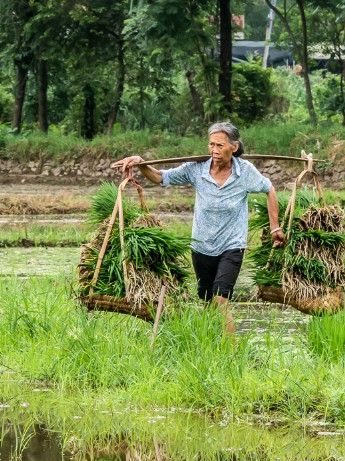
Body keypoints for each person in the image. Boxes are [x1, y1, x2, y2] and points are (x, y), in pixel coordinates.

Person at [111, 122, 285, 335]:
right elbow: (161, 177)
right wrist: (141, 163)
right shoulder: (196, 169)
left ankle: (232, 351)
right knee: (207, 300)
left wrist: (275, 227)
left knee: (221, 299)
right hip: (202, 246)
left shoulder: (245, 172)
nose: (214, 150)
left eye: (220, 145)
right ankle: (210, 343)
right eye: (211, 144)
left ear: (234, 147)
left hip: (232, 245)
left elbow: (269, 189)